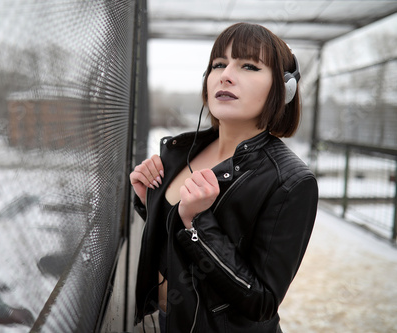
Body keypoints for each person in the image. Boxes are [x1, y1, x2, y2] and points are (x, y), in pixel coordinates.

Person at [129, 22, 318, 333]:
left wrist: (198, 222)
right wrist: (146, 200)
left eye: (248, 66)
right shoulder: (181, 151)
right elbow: (172, 238)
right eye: (219, 64)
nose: (225, 75)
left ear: (284, 89)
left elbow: (262, 302)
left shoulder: (291, 181)